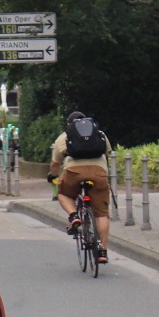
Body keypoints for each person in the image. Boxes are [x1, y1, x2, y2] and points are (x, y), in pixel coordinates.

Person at [49, 111, 113, 263]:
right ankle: (102, 251)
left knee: (63, 193)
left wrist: (52, 176)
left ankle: (74, 216)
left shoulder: (64, 137)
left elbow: (55, 164)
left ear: (69, 124)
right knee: (102, 214)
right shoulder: (99, 133)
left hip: (73, 173)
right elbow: (107, 152)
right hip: (98, 173)